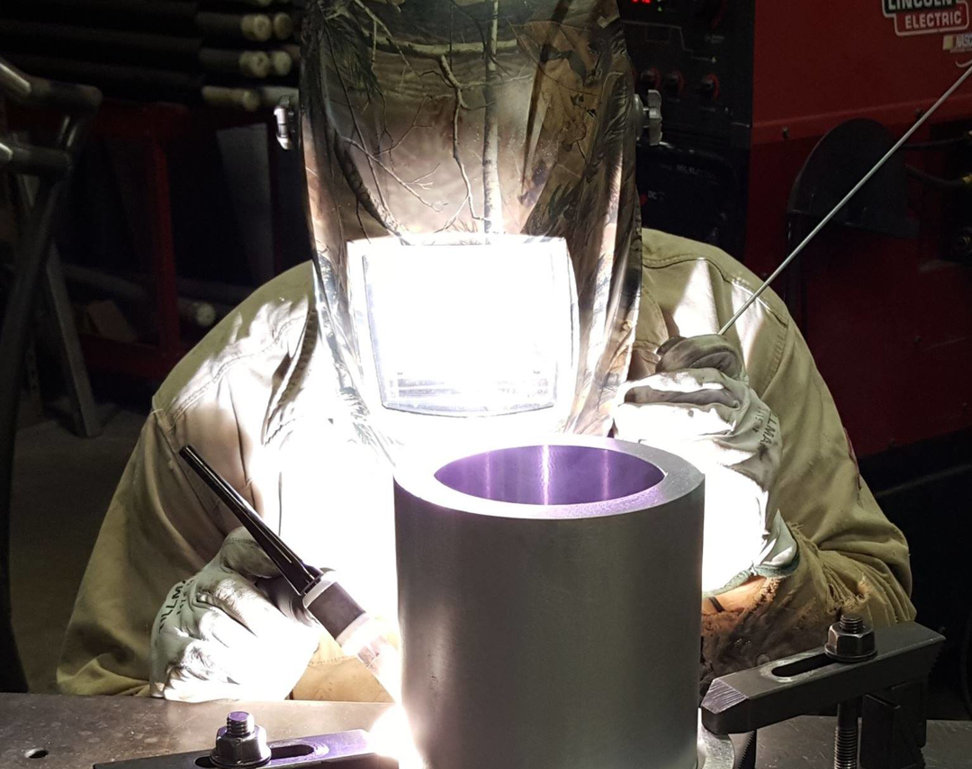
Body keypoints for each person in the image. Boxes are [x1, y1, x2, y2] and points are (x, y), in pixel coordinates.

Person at [57, 0, 915, 702]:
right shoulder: (239, 393)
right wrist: (204, 690)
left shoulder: (722, 322)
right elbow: (97, 712)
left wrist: (756, 573)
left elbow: (884, 631)